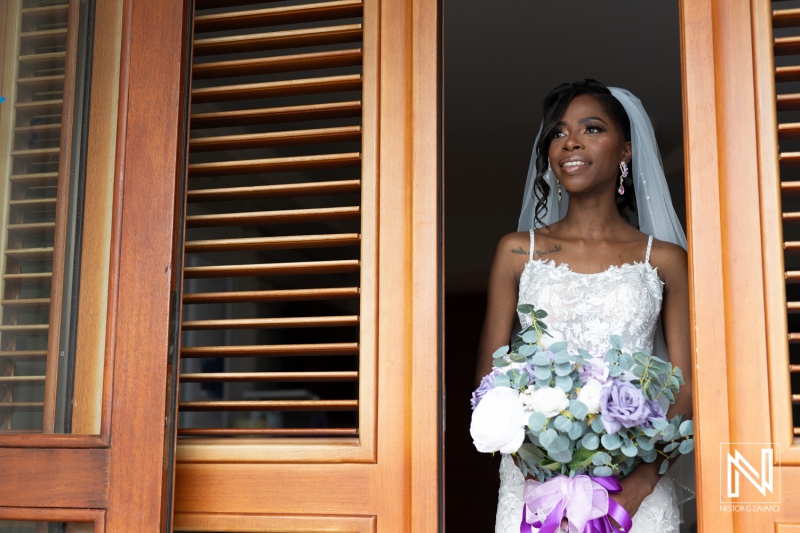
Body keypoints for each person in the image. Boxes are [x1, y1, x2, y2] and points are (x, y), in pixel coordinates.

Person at [476, 80, 693, 533]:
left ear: (627, 151)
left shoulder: (665, 259)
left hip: (636, 493)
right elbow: (489, 380)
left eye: (591, 128)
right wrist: (534, 461)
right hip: (537, 489)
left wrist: (639, 484)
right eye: (558, 133)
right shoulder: (517, 251)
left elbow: (689, 386)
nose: (570, 141)